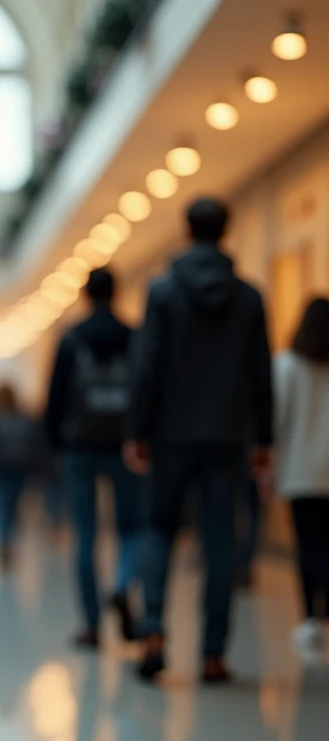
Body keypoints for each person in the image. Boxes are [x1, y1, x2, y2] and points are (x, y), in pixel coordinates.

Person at [125, 198, 273, 684]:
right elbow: (260, 373)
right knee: (219, 541)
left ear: (186, 231)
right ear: (226, 231)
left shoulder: (164, 292)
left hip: (170, 435)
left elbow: (148, 367)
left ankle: (153, 634)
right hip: (228, 434)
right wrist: (263, 438)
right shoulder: (250, 297)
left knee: (159, 532)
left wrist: (139, 431)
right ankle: (212, 654)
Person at [45, 267, 140, 647]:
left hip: (79, 447)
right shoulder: (133, 337)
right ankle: (120, 584)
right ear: (116, 293)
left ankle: (91, 625)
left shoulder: (71, 340)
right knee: (130, 528)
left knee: (85, 533)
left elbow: (55, 398)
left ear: (85, 295)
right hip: (124, 447)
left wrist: (56, 444)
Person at [274, 297, 329, 654]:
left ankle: (312, 618)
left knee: (308, 546)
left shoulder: (288, 365)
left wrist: (267, 465)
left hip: (300, 472)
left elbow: (278, 417)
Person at [0, 383, 37, 567]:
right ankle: (8, 539)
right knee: (13, 505)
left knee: (2, 504)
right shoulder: (23, 419)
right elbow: (32, 444)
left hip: (1, 468)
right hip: (19, 468)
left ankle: (4, 539)